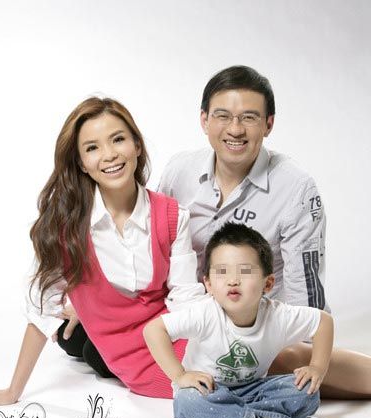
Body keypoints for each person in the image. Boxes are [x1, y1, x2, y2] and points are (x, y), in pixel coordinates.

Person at [0, 97, 205, 406]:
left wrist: (214, 343)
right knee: (213, 389)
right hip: (136, 360)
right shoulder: (66, 229)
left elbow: (187, 299)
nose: (109, 154)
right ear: (81, 162)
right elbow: (42, 311)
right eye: (92, 147)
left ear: (136, 145)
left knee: (240, 364)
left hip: (176, 336)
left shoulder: (173, 214)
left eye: (118, 139)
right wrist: (13, 391)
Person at [158, 65, 371, 399]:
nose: (235, 129)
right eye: (222, 116)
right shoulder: (179, 170)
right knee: (90, 341)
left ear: (269, 124)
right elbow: (154, 247)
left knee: (284, 357)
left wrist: (308, 358)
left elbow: (306, 292)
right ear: (204, 120)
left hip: (256, 324)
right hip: (194, 316)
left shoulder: (295, 187)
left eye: (249, 117)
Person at [144, 222, 333, 418]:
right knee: (187, 401)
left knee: (307, 392)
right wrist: (180, 375)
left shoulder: (277, 315)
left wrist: (317, 367)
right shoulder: (205, 313)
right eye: (222, 272)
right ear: (208, 284)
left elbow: (323, 322)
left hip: (254, 390)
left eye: (245, 271)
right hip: (208, 392)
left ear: (268, 283)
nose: (233, 280)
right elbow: (154, 330)